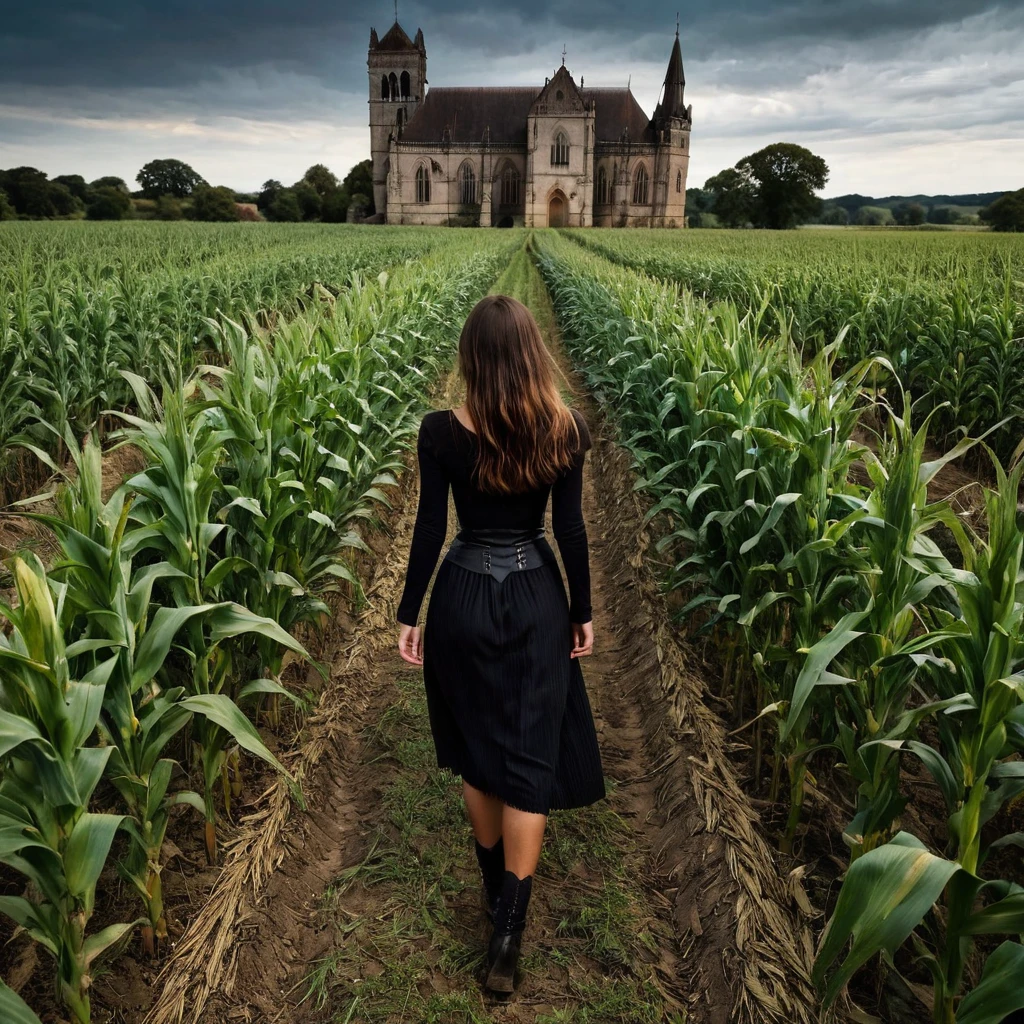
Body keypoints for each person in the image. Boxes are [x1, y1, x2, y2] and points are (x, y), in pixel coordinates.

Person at [395, 293, 606, 994]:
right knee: (528, 756)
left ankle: (494, 897)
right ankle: (509, 932)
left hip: (460, 596)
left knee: (479, 756)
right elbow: (569, 530)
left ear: (471, 358)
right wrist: (581, 610)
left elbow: (431, 527)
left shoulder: (438, 431)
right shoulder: (565, 429)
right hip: (534, 597)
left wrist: (409, 613)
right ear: (530, 352)